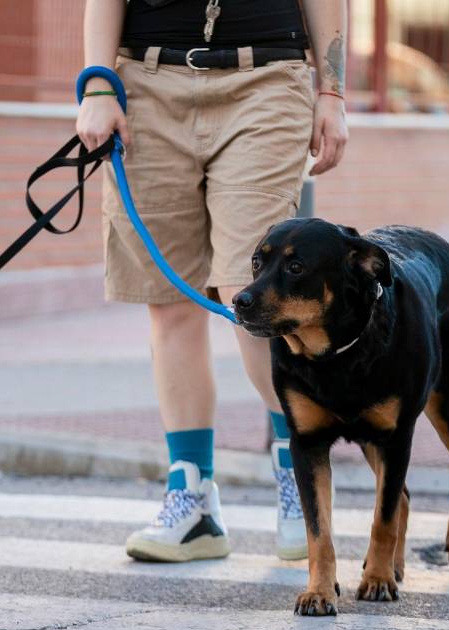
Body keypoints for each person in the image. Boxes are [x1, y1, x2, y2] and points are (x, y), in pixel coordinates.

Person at [77, 0, 348, 562]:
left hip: (266, 80)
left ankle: (299, 476)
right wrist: (98, 87)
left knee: (253, 294)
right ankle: (192, 500)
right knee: (169, 301)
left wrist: (332, 92)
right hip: (147, 86)